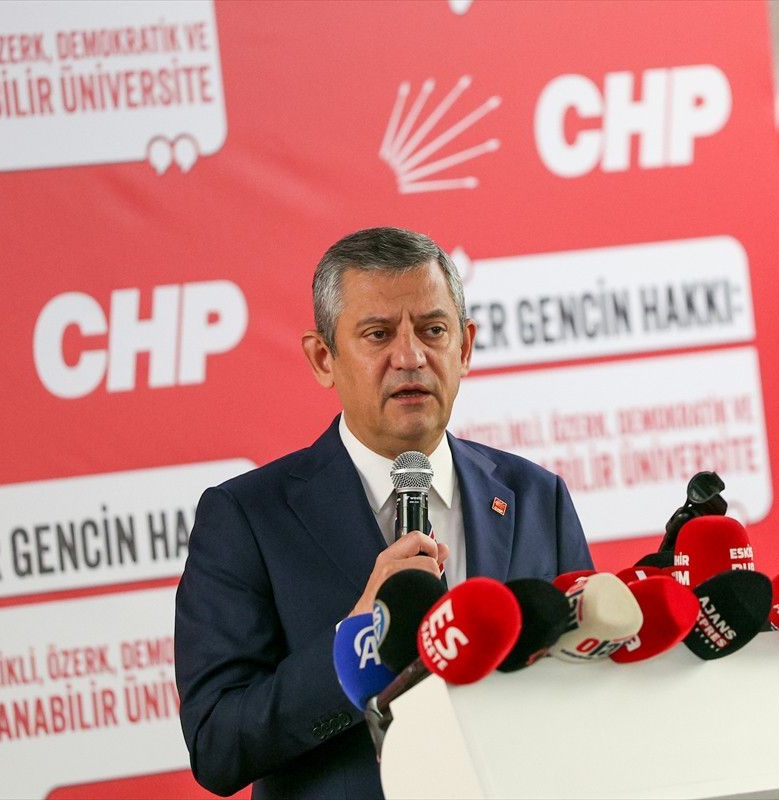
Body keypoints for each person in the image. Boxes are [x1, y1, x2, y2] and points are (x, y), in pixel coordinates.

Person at [174, 227, 594, 799]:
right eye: (378, 334)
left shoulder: (537, 496)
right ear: (323, 358)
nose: (411, 357)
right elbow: (218, 746)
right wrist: (358, 643)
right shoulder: (247, 518)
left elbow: (582, 694)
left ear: (465, 348)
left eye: (433, 330)